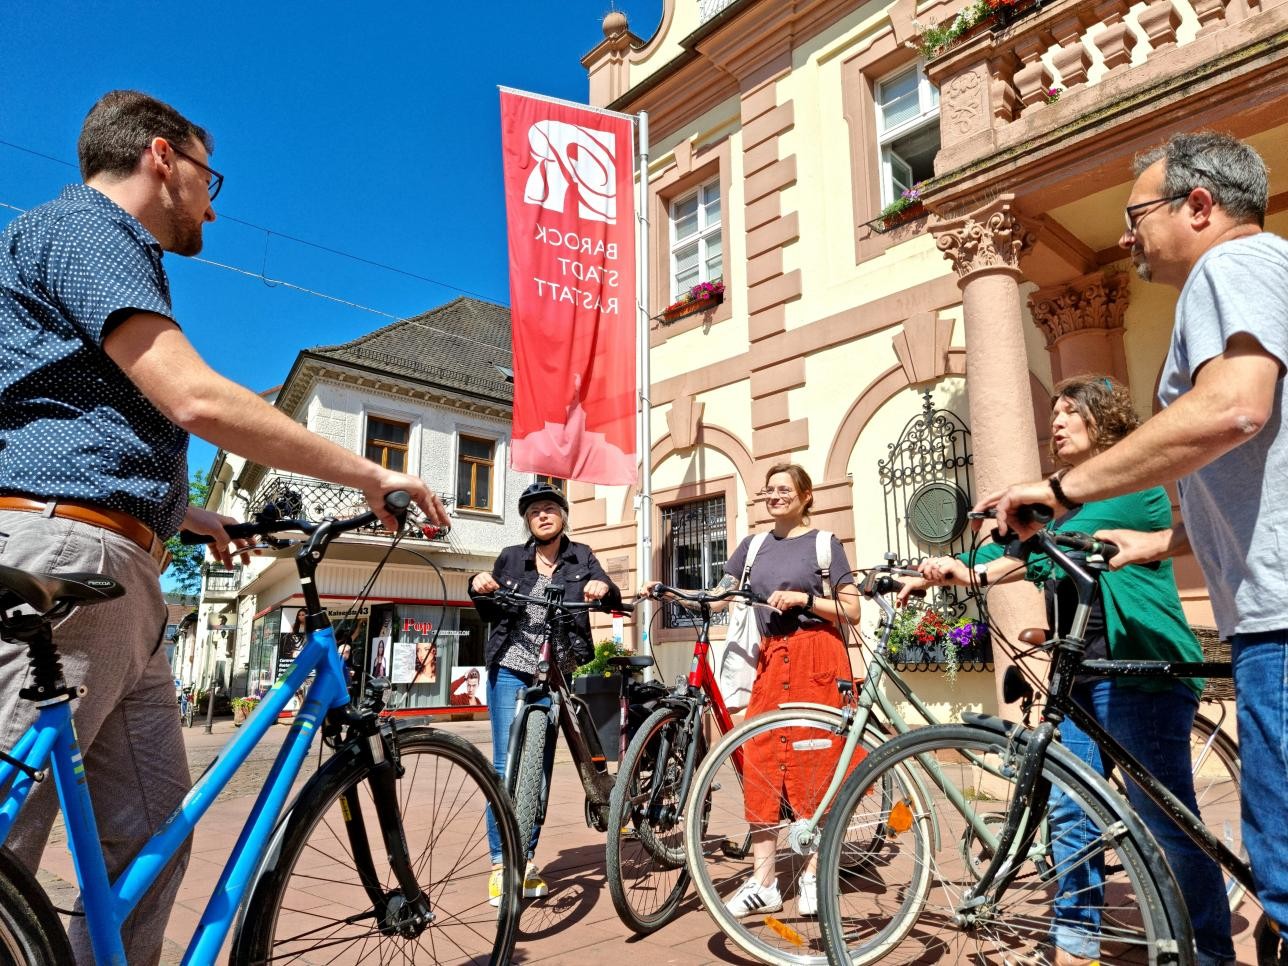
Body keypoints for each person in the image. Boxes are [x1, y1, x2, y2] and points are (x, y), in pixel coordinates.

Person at [0, 90, 447, 965]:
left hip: (115, 563)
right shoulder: (90, 229)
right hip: (67, 554)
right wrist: (373, 472)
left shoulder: (95, 248)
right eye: (211, 176)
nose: (215, 200)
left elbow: (73, 416)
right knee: (9, 843)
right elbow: (195, 397)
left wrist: (181, 512)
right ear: (163, 156)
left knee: (152, 841)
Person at [982, 131, 1288, 961]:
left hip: (1275, 621)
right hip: (1263, 615)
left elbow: (1234, 409)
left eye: (1136, 215)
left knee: (1276, 867)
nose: (1124, 236)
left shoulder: (1234, 265)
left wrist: (1062, 492)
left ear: (1199, 206)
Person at [903, 376, 1233, 965]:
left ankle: (1209, 951)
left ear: (1100, 421)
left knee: (1167, 824)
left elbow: (1056, 537)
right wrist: (945, 569)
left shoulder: (1131, 486)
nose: (1056, 421)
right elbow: (1010, 558)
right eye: (1053, 412)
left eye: (1069, 412)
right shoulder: (1064, 508)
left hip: (1140, 674)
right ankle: (1076, 947)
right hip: (1082, 676)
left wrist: (1019, 520)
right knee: (1073, 814)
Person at [675, 462, 860, 919]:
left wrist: (804, 600)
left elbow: (852, 608)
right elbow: (718, 597)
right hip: (772, 659)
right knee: (759, 759)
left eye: (783, 489)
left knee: (813, 760)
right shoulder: (752, 546)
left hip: (818, 655)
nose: (774, 496)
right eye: (769, 490)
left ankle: (815, 874)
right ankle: (764, 881)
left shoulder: (823, 544)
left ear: (805, 495)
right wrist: (669, 593)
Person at [468, 481, 623, 906]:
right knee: (506, 765)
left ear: (563, 515)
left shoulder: (582, 556)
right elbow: (487, 600)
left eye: (550, 508)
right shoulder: (512, 558)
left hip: (559, 672)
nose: (543, 514)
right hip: (512, 667)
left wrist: (601, 589)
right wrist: (477, 581)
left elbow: (611, 592)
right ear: (527, 520)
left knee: (537, 770)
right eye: (534, 510)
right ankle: (502, 864)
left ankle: (527, 859)